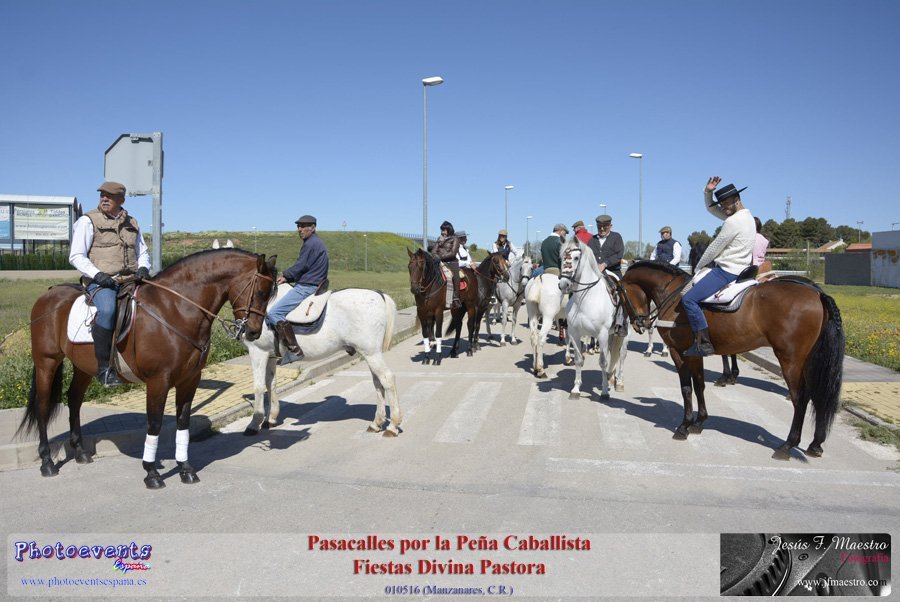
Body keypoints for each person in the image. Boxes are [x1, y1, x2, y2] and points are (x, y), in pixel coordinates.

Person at [69, 181, 151, 387]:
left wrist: (143, 268)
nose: (104, 199)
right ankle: (104, 369)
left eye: (110, 196)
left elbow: (142, 252)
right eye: (102, 195)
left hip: (130, 280)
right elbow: (76, 256)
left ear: (121, 200)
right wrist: (97, 275)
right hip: (102, 282)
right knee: (107, 310)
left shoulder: (132, 222)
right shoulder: (87, 221)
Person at [682, 177, 756, 357]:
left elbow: (713, 249)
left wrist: (698, 267)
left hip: (727, 271)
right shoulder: (747, 217)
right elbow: (712, 209)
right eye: (721, 204)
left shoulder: (732, 222)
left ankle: (704, 343)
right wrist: (708, 193)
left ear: (737, 199)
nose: (722, 207)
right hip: (744, 269)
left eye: (725, 203)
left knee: (688, 299)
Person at [267, 214, 329, 360]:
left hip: (307, 286)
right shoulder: (316, 243)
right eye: (298, 226)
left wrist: (285, 275)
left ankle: (294, 350)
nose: (299, 229)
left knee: (274, 313)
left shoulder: (311, 244)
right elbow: (306, 268)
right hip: (314, 283)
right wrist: (288, 277)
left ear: (313, 228)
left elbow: (301, 265)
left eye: (303, 226)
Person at [587, 214, 627, 335]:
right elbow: (588, 255)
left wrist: (605, 264)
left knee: (623, 293)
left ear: (610, 226)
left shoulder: (616, 237)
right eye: (599, 227)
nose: (602, 229)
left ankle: (621, 323)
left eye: (605, 227)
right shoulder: (592, 240)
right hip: (595, 272)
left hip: (613, 271)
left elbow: (619, 255)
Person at [541, 223, 569, 343]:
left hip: (545, 271)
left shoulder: (544, 242)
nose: (565, 235)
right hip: (557, 271)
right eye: (565, 233)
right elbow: (563, 259)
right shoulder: (560, 242)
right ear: (560, 231)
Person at [430, 220, 462, 308]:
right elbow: (434, 250)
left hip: (452, 262)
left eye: (444, 230)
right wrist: (435, 256)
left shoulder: (455, 239)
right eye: (442, 230)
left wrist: (439, 257)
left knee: (456, 277)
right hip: (439, 261)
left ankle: (456, 297)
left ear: (449, 230)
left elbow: (453, 253)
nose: (442, 232)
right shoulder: (439, 238)